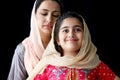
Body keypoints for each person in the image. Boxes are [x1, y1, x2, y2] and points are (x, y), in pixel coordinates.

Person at [26, 11, 120, 80]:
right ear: (57, 40)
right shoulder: (48, 66)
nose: (71, 34)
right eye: (65, 30)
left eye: (77, 30)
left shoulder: (94, 63)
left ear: (85, 36)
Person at [7, 0, 64, 80]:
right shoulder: (24, 50)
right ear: (34, 15)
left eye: (55, 15)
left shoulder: (65, 47)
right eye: (44, 14)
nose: (49, 19)